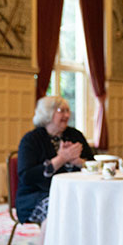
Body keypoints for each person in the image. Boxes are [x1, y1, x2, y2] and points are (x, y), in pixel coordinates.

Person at [16, 96, 94, 225]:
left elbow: (93, 165)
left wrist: (78, 162)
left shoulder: (75, 135)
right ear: (48, 113)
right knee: (59, 210)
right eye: (61, 111)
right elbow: (26, 176)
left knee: (92, 206)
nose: (67, 115)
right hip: (35, 196)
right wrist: (61, 159)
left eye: (68, 111)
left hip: (74, 192)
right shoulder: (31, 139)